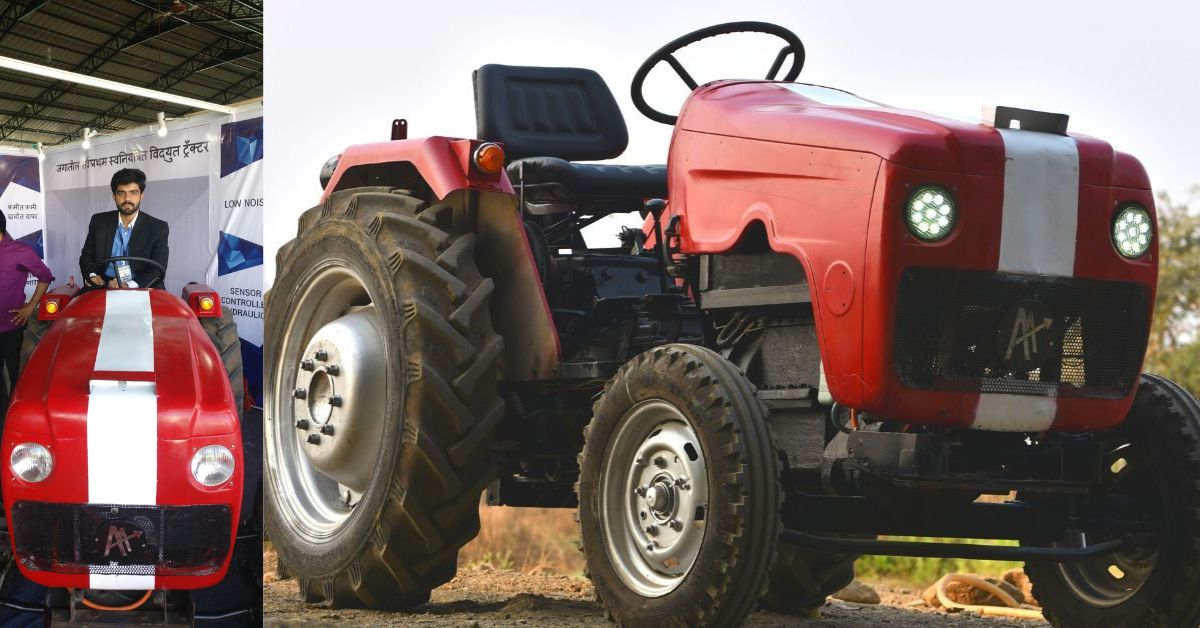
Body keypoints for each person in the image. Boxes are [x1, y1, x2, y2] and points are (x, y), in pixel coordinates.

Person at [78, 168, 169, 289]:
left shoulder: (158, 228)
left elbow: (157, 269)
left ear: (141, 196)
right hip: (104, 284)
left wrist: (128, 285)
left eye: (133, 192)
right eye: (121, 193)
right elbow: (86, 256)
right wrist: (92, 276)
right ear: (114, 196)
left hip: (142, 285)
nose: (127, 199)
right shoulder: (98, 221)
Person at [0, 212, 53, 413]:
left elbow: (45, 276)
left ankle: (13, 418)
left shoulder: (19, 251)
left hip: (11, 327)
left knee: (15, 379)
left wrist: (30, 307)